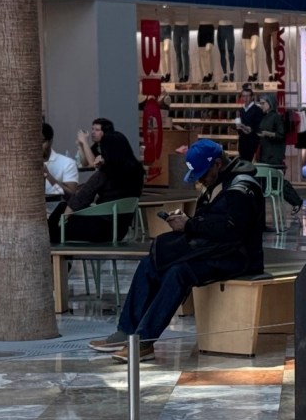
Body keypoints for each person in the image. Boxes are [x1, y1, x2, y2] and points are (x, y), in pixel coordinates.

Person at [88, 140, 266, 359]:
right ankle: (126, 331)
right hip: (214, 249)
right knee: (151, 263)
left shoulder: (241, 187)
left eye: (202, 174)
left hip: (238, 257)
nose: (200, 180)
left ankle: (144, 341)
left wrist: (190, 225)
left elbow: (234, 231)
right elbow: (211, 222)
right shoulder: (217, 182)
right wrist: (188, 222)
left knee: (178, 272)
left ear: (217, 164)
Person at [62, 116, 144, 242]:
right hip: (121, 229)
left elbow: (80, 199)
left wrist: (63, 220)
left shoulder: (105, 173)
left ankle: (57, 260)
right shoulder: (138, 171)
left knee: (59, 213)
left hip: (99, 229)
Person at [234, 82, 266, 160]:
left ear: (252, 97)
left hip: (252, 143)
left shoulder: (257, 110)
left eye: (248, 96)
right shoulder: (241, 110)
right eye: (244, 96)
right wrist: (239, 127)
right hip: (242, 142)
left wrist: (250, 129)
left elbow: (259, 127)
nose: (246, 98)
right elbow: (238, 129)